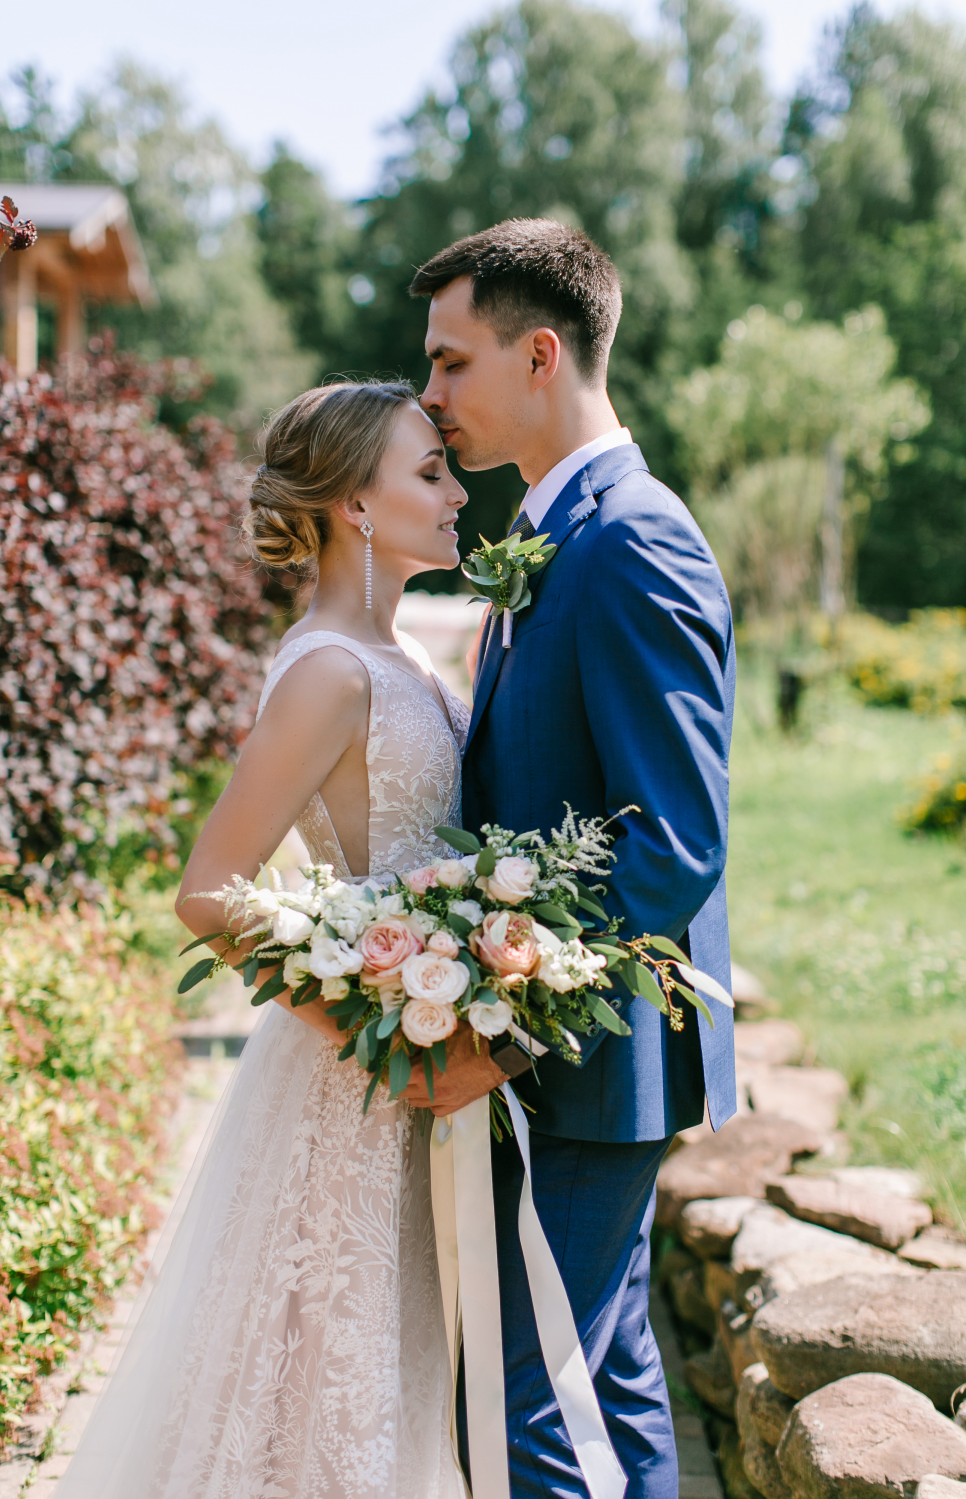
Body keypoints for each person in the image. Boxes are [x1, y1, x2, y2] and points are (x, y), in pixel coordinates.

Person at [55, 381, 474, 1499]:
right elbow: (207, 891)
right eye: (429, 471)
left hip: (418, 1063)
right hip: (355, 1074)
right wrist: (381, 1026)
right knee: (316, 1397)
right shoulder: (331, 670)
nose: (456, 492)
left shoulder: (405, 655)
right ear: (356, 505)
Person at [404, 218, 737, 1497]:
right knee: (604, 1384)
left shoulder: (632, 536)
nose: (430, 395)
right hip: (571, 1067)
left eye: (451, 362)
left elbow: (673, 839)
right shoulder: (558, 530)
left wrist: (509, 1028)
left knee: (526, 1403)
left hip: (590, 1063)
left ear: (539, 354)